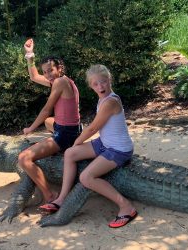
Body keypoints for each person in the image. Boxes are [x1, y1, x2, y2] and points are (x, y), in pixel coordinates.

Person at [40, 64, 137, 228]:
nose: (100, 86)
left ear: (109, 80)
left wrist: (77, 141)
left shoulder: (110, 102)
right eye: (95, 84)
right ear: (91, 86)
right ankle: (62, 197)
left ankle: (126, 206)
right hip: (105, 143)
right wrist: (75, 146)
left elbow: (93, 128)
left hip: (118, 150)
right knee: (70, 154)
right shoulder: (102, 99)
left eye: (103, 82)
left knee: (86, 177)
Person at [19, 38, 81, 204]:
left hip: (66, 134)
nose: (47, 75)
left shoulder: (59, 82)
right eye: (45, 72)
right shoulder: (61, 80)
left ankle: (49, 194)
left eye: (50, 70)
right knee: (48, 121)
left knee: (23, 158)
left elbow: (46, 108)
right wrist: (29, 54)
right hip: (73, 128)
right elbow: (34, 76)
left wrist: (30, 128)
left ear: (59, 68)